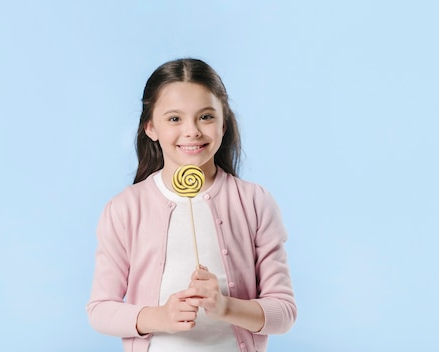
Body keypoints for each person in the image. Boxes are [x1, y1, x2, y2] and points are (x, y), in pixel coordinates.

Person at [86, 58, 296, 352]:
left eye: (206, 117)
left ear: (224, 124)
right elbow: (99, 309)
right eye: (174, 119)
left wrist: (226, 307)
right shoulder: (125, 208)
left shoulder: (254, 202)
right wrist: (159, 317)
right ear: (150, 127)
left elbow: (284, 313)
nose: (192, 131)